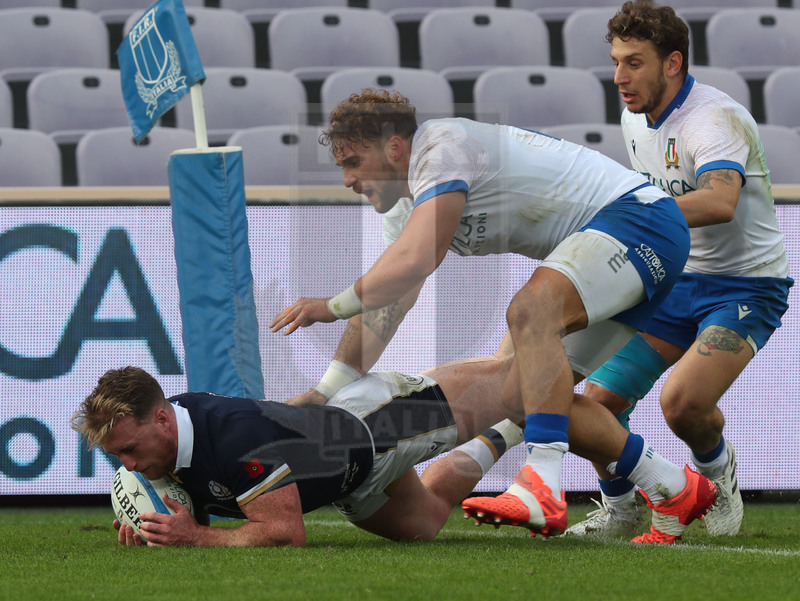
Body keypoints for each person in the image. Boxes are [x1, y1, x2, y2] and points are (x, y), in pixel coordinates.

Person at [269, 89, 716, 543]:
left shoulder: (440, 147)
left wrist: (328, 306)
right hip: (633, 242)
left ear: (394, 148)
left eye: (353, 162)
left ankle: (540, 484)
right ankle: (675, 488)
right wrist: (327, 391)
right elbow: (389, 301)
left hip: (640, 221)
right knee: (522, 393)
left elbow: (417, 259)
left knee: (530, 312)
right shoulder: (408, 202)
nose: (347, 179)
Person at [563, 1, 793, 541]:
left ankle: (718, 477)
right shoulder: (633, 115)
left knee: (682, 405)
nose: (620, 77)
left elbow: (719, 201)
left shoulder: (715, 118)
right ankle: (621, 509)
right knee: (595, 404)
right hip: (674, 281)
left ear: (672, 63)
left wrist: (629, 216)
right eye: (616, 61)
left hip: (747, 286)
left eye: (634, 62)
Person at [71, 353, 523, 547]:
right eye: (118, 457)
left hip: (375, 426)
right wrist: (159, 531)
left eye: (130, 449)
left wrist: (194, 536)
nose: (128, 466)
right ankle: (511, 431)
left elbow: (286, 533)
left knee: (520, 380)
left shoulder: (235, 440)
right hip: (348, 484)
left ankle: (570, 365)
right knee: (429, 522)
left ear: (162, 420)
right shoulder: (166, 445)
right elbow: (193, 513)